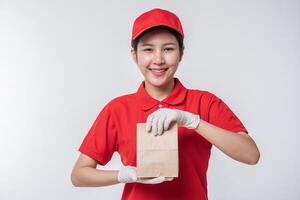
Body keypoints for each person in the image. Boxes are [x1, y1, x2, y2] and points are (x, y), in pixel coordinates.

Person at [71, 8, 260, 200]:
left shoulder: (205, 102)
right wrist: (123, 175)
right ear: (134, 55)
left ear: (181, 53)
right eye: (148, 49)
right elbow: (79, 175)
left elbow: (251, 155)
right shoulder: (118, 109)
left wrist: (193, 121)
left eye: (168, 49)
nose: (159, 59)